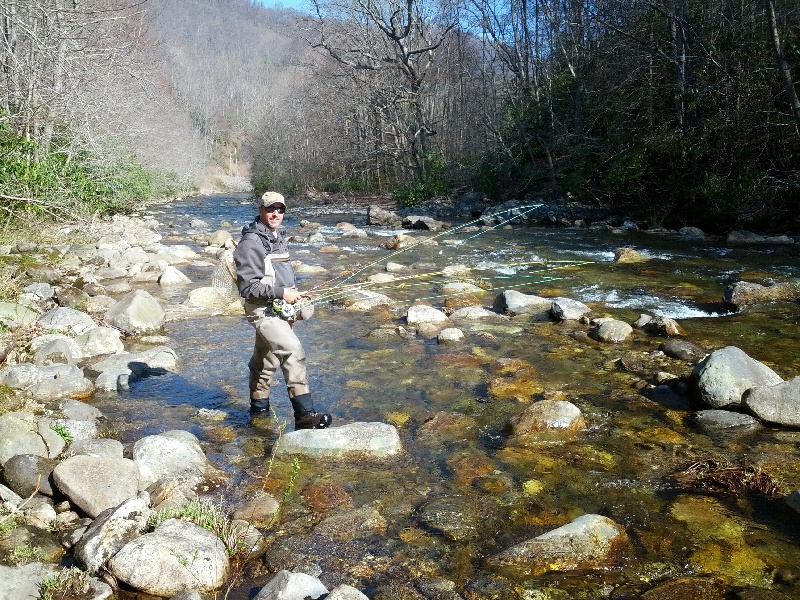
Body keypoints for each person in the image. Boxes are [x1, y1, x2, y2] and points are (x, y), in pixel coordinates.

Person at [233, 191, 332, 430]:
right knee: (292, 350)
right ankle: (305, 416)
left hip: (279, 308)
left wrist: (295, 297)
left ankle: (258, 412)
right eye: (270, 209)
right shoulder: (251, 243)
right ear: (261, 210)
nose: (276, 213)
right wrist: (281, 294)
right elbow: (248, 288)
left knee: (264, 362)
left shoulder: (278, 237)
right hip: (261, 310)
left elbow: (283, 277)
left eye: (280, 209)